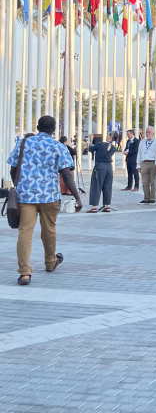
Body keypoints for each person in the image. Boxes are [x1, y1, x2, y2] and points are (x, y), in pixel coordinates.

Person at [7, 115, 83, 286]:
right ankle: (50, 262)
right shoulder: (58, 146)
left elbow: (13, 168)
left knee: (25, 232)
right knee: (49, 230)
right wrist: (77, 197)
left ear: (37, 127)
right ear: (54, 129)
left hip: (26, 196)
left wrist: (19, 185)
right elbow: (66, 174)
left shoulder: (23, 143)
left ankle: (25, 272)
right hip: (49, 196)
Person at [87, 132, 120, 213]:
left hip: (99, 166)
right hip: (109, 167)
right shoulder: (113, 147)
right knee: (107, 186)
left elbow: (90, 149)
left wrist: (91, 140)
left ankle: (94, 206)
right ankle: (107, 205)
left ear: (109, 136)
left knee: (96, 186)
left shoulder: (100, 144)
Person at [137, 127, 156, 204]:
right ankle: (146, 198)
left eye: (149, 132)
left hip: (153, 162)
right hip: (144, 163)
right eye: (146, 132)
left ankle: (153, 198)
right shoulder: (142, 142)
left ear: (153, 133)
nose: (147, 134)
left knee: (153, 182)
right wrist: (138, 165)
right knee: (145, 182)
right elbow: (139, 154)